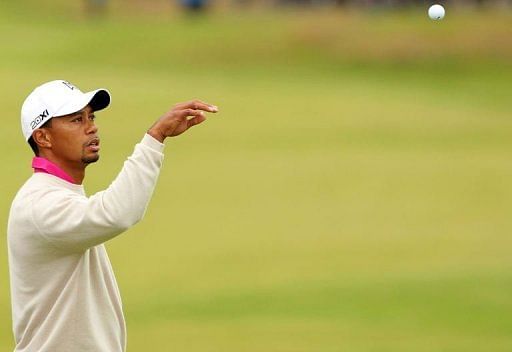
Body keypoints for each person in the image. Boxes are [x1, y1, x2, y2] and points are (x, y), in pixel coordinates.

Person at [7, 80, 218, 352]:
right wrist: (155, 138)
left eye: (90, 117)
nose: (91, 127)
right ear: (43, 138)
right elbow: (114, 213)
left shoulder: (58, 193)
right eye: (75, 120)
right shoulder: (39, 204)